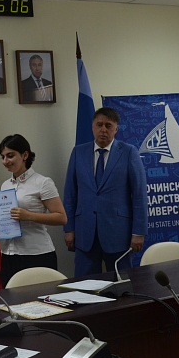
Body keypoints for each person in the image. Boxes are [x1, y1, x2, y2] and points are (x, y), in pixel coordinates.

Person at [63, 107, 148, 276]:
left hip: (119, 234)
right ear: (92, 127)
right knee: (84, 285)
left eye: (108, 126)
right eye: (99, 125)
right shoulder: (78, 152)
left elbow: (139, 196)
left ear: (116, 128)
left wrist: (138, 232)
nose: (103, 130)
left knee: (122, 284)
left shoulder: (129, 152)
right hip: (85, 233)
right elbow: (70, 194)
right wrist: (69, 228)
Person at [0, 134, 67, 286]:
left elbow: (61, 217)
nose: (5, 161)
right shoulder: (5, 185)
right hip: (9, 254)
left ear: (25, 155)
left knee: (41, 298)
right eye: (3, 157)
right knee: (11, 298)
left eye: (10, 156)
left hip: (36, 253)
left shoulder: (42, 182)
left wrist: (29, 215)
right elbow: (10, 216)